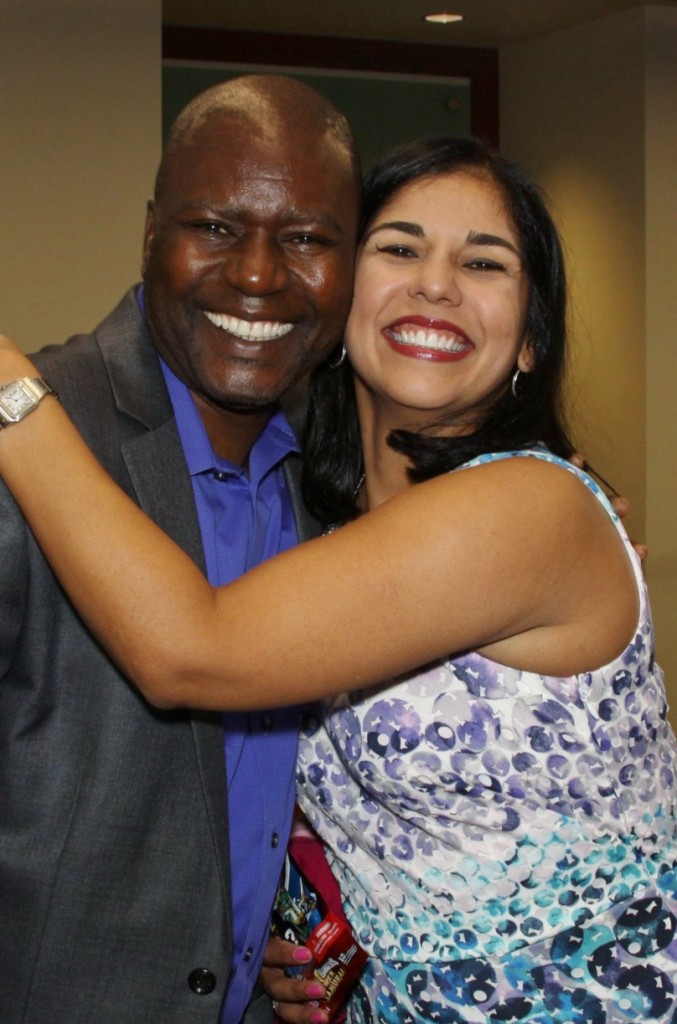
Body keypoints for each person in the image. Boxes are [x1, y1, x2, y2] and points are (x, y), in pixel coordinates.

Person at [1, 135, 675, 1024]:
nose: (436, 283)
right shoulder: (319, 514)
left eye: (483, 262)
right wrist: (299, 915)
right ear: (341, 299)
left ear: (528, 340)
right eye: (399, 248)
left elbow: (191, 652)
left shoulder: (528, 507)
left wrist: (12, 387)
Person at [0, 75, 360, 1024]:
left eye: (307, 238)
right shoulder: (34, 440)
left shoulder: (339, 480)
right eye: (213, 226)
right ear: (151, 230)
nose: (255, 276)